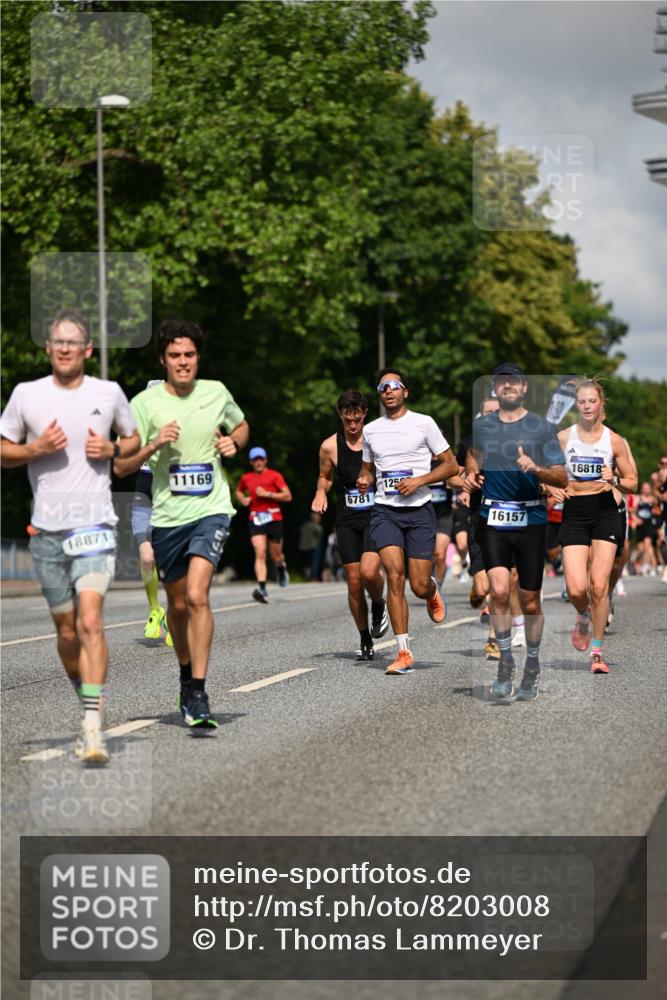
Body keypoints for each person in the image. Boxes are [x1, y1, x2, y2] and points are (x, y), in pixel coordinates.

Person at [0, 308, 139, 763]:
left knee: (90, 621)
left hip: (95, 525)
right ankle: (89, 698)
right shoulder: (26, 395)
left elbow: (134, 440)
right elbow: (3, 450)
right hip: (47, 531)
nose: (63, 349)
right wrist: (34, 449)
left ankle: (92, 726)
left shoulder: (108, 392)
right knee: (64, 631)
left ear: (87, 350)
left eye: (72, 343)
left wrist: (115, 448)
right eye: (56, 342)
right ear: (47, 348)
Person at [115, 318, 249, 729]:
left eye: (189, 354)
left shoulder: (216, 393)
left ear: (198, 357)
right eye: (175, 355)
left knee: (196, 596)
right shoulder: (144, 404)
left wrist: (234, 441)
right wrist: (154, 443)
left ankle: (199, 689)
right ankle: (185, 674)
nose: (183, 361)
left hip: (211, 510)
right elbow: (122, 464)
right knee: (176, 605)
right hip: (168, 517)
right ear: (163, 359)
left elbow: (241, 426)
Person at [468, 362, 567, 700]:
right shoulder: (482, 426)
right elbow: (473, 456)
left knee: (529, 600)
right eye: (501, 383)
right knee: (498, 591)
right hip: (493, 517)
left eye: (513, 382)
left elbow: (562, 477)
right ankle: (506, 661)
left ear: (524, 388)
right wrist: (472, 473)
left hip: (531, 521)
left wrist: (536, 468)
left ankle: (534, 663)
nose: (507, 387)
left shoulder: (541, 428)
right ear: (495, 389)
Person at [357, 369, 457, 675]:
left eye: (394, 386)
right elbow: (368, 469)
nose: (388, 390)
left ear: (405, 392)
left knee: (418, 583)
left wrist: (420, 480)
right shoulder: (371, 430)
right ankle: (403, 652)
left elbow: (451, 465)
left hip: (419, 511)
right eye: (383, 387)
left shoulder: (423, 423)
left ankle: (431, 590)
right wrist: (365, 478)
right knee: (394, 576)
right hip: (385, 510)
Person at [550, 378, 636, 673]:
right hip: (574, 512)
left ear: (601, 404)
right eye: (582, 402)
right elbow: (543, 472)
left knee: (599, 586)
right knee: (576, 588)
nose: (587, 406)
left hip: (605, 512)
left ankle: (597, 653)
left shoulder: (614, 441)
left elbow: (633, 482)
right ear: (577, 405)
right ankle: (584, 615)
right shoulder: (563, 438)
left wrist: (613, 479)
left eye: (592, 401)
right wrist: (551, 489)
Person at [311, 390, 388, 661]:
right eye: (347, 421)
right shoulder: (330, 446)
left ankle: (379, 603)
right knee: (354, 583)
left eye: (357, 420)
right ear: (340, 417)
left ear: (365, 414)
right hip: (346, 518)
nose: (353, 426)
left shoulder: (378, 440)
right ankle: (365, 637)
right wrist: (321, 492)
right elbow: (324, 476)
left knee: (369, 572)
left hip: (375, 514)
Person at [128, 379, 172, 647]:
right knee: (146, 558)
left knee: (175, 569)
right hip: (143, 500)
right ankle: (156, 610)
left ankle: (176, 621)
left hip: (172, 505)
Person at [235, 447, 292, 603]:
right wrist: (243, 499)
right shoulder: (246, 478)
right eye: (255, 460)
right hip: (256, 518)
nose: (258, 462)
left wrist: (267, 494)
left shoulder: (275, 476)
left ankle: (280, 566)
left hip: (274, 517)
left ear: (265, 460)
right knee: (260, 552)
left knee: (275, 555)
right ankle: (262, 588)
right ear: (251, 462)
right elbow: (239, 491)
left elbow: (288, 496)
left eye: (260, 459)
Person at [630, 481, 661, 576]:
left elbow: (658, 510)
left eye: (648, 488)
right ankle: (635, 562)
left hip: (649, 525)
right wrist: (636, 519)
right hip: (640, 525)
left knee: (648, 544)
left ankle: (654, 565)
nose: (647, 489)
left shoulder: (653, 499)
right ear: (642, 489)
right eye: (645, 488)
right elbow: (632, 511)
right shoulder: (638, 499)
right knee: (641, 549)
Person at [298, 512, 323, 581]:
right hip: (314, 546)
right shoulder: (316, 526)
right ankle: (313, 577)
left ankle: (306, 576)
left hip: (304, 547)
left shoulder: (304, 526)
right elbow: (320, 532)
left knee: (307, 563)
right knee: (314, 563)